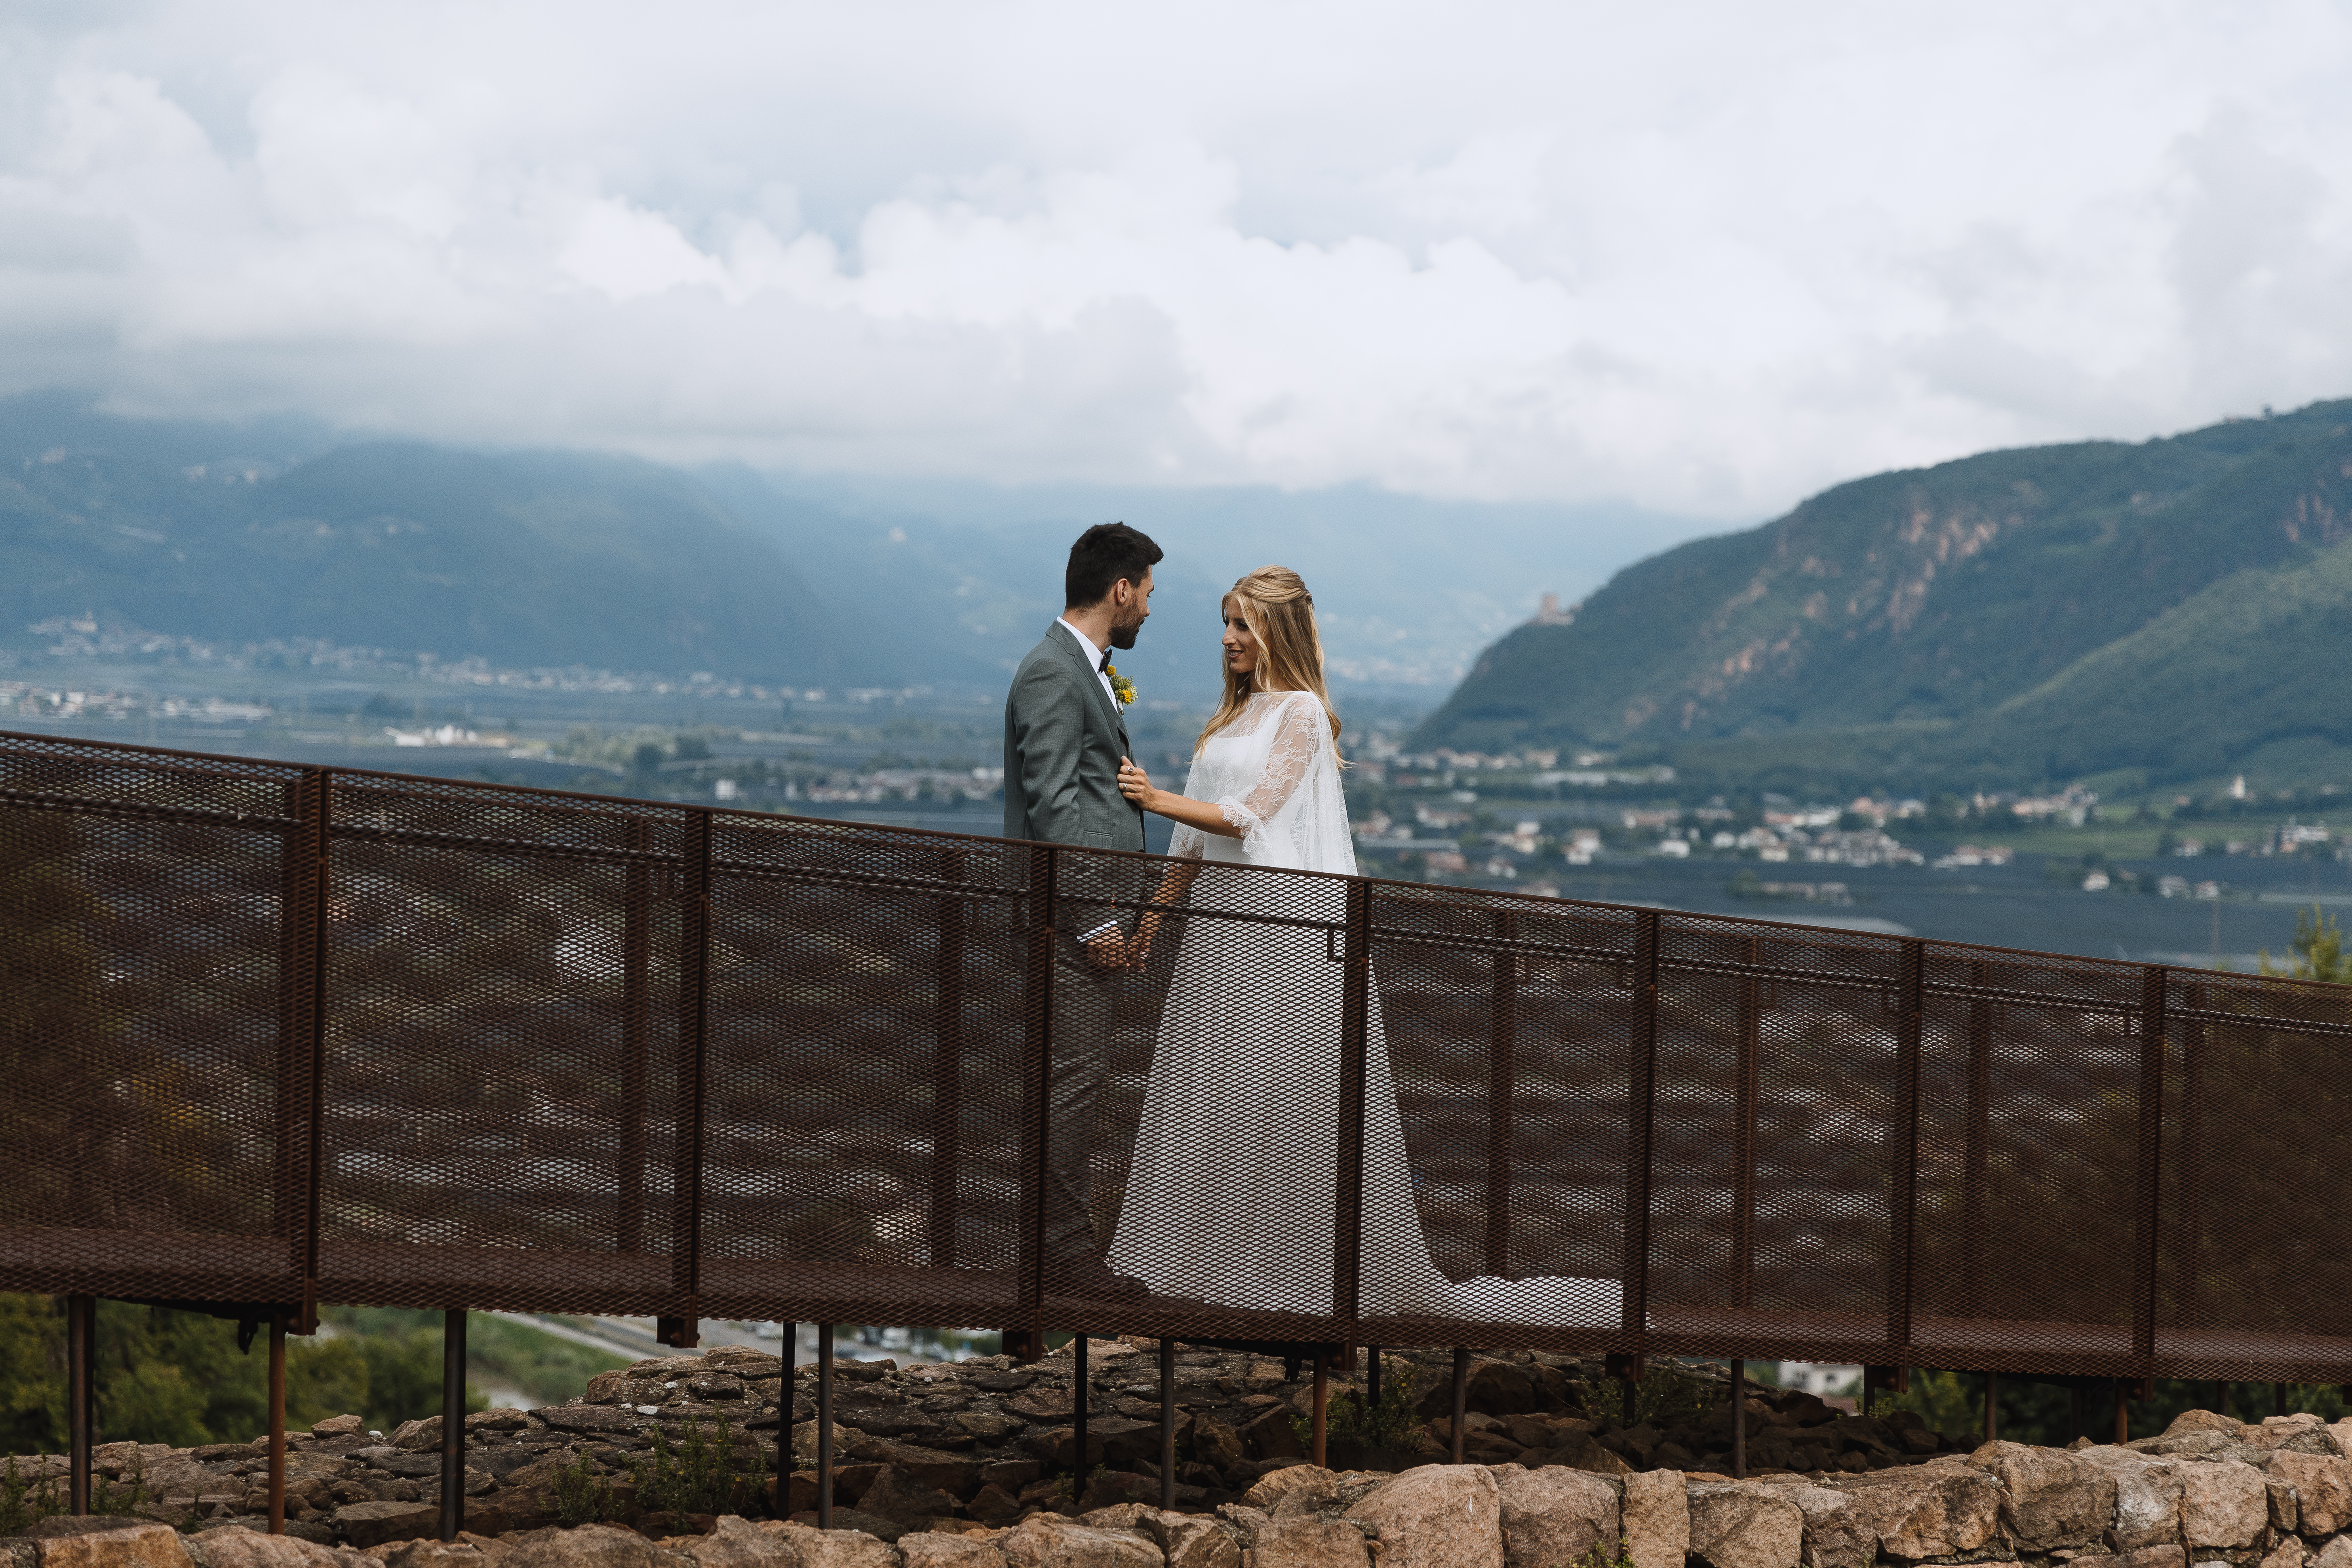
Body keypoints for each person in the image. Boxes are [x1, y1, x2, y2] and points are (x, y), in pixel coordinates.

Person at [1107, 564, 1621, 1327]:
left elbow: (1251, 816)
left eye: (1243, 625)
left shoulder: (1303, 714)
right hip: (1218, 929)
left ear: (1276, 630)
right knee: (1218, 1090)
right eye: (1227, 622)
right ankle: (1215, 1268)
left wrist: (1153, 797)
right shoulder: (1230, 720)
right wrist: (1153, 923)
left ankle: (1283, 1273)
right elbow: (1189, 843)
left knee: (1281, 1096)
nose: (1228, 639)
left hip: (1277, 924)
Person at [1001, 521, 1162, 1297]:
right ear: (1120, 589)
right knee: (1070, 1083)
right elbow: (1053, 802)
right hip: (1070, 922)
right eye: (1148, 594)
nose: (1149, 613)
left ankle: (1057, 1253)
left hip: (1084, 917)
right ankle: (1061, 1261)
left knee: (1078, 1081)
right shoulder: (1052, 673)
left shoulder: (1080, 671)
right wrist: (1097, 917)